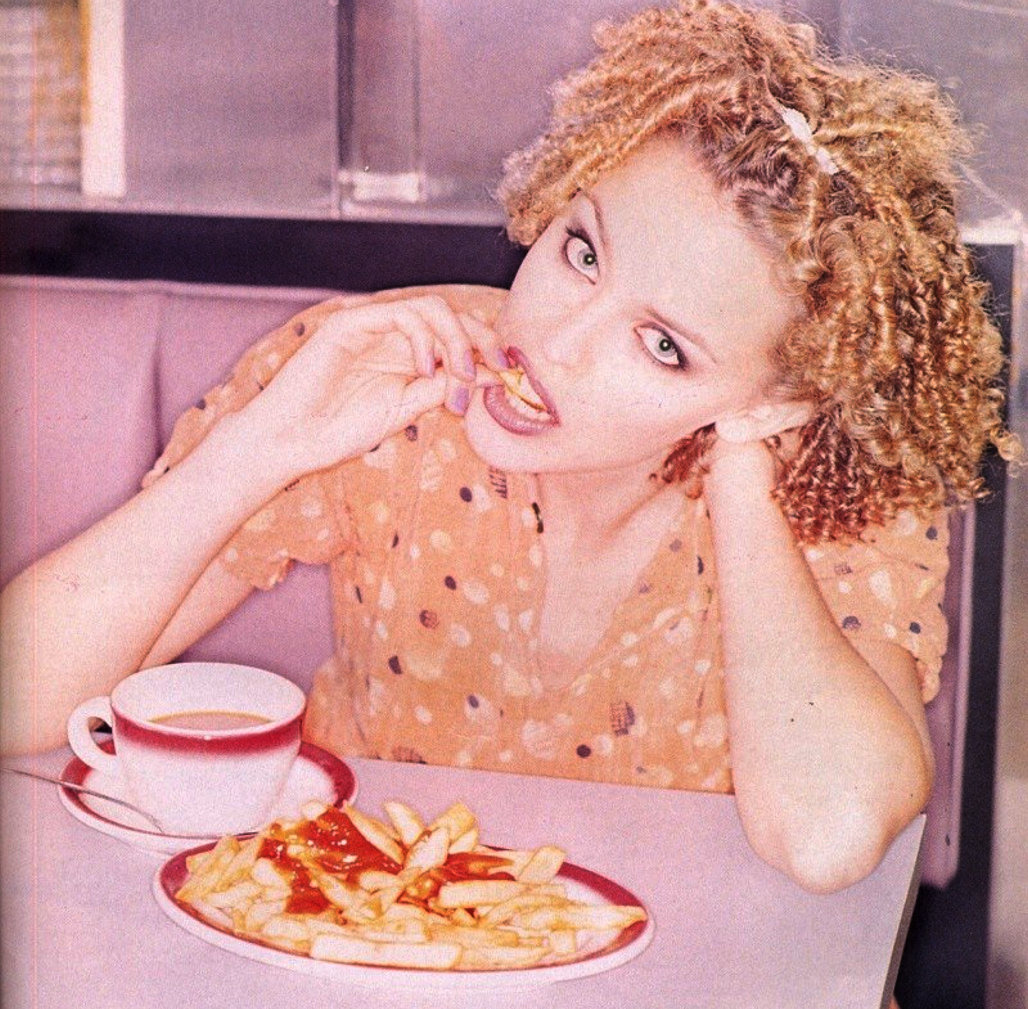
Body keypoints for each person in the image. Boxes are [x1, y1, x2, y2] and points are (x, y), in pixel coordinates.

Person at [1, 0, 1019, 897]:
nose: (557, 342)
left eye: (663, 346)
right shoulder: (389, 373)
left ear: (782, 399)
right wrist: (260, 446)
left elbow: (831, 837)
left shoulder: (831, 491)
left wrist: (744, 471)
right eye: (582, 250)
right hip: (364, 951)